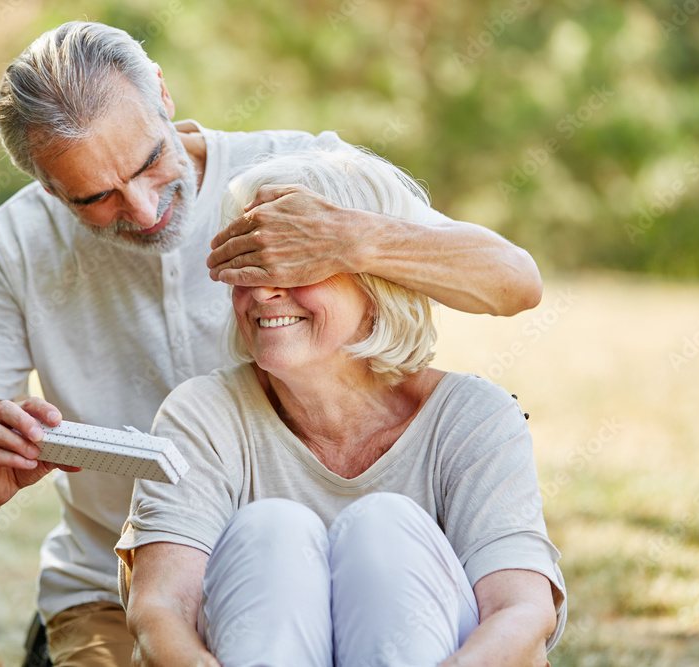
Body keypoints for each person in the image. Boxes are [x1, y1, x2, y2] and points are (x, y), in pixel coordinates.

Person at [0, 20, 546, 666]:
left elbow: (516, 283)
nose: (143, 210)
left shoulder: (300, 175)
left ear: (161, 93)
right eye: (97, 197)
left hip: (352, 572)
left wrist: (347, 240)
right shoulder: (16, 242)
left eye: (148, 161)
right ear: (47, 188)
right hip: (123, 583)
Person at [116, 147, 566, 667]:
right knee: (272, 530)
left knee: (384, 527)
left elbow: (523, 612)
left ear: (376, 283)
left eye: (294, 263)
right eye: (250, 260)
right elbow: (160, 609)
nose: (262, 290)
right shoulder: (201, 415)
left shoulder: (474, 417)